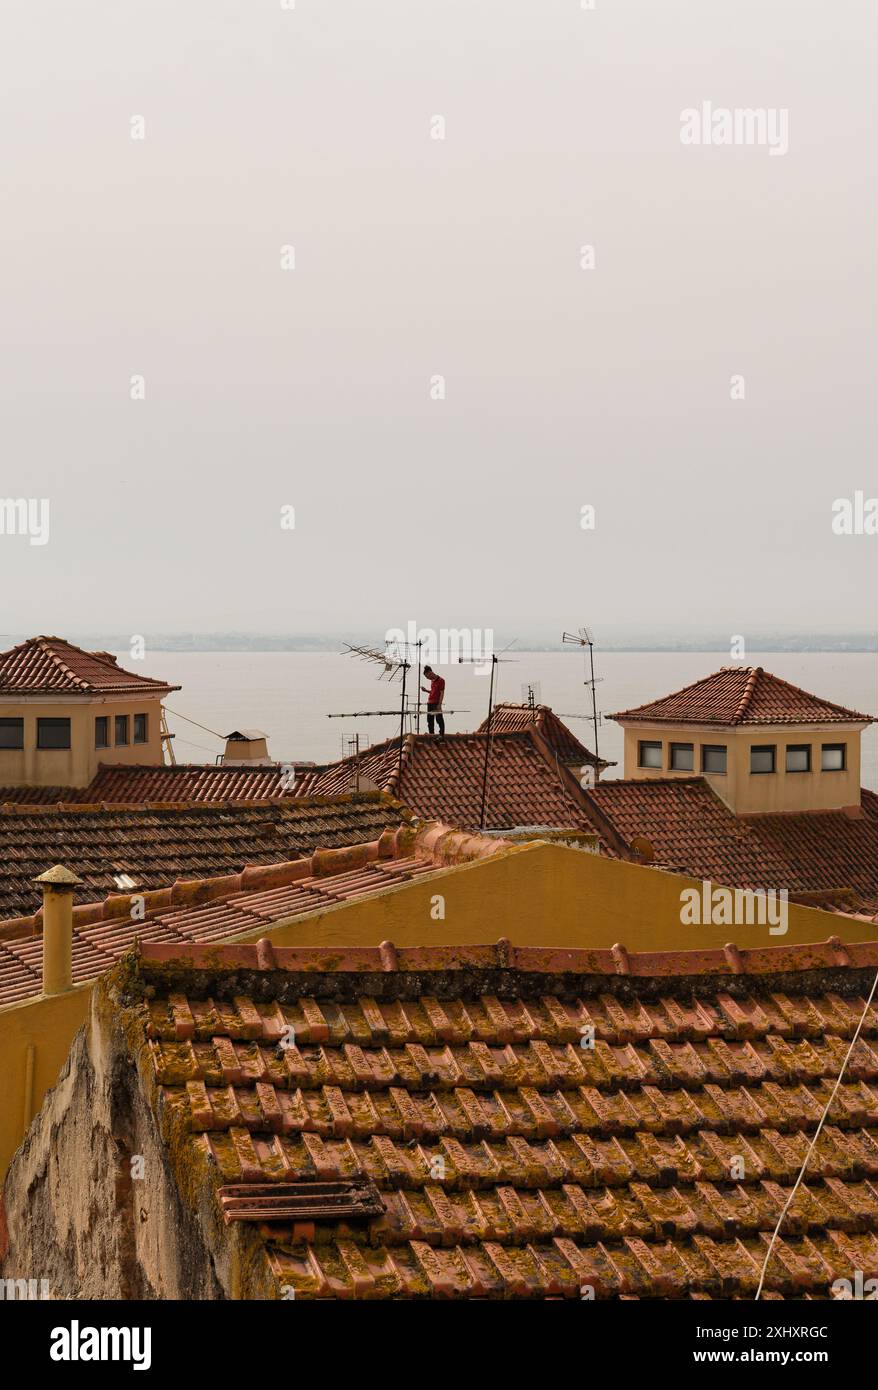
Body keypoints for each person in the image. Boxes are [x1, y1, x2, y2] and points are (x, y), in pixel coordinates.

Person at [422, 665, 445, 738]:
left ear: (430, 673)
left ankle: (441, 735)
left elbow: (441, 693)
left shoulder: (441, 680)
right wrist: (426, 690)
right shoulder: (432, 681)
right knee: (430, 721)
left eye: (427, 676)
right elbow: (433, 692)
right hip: (430, 703)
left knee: (439, 719)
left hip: (436, 703)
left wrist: (439, 704)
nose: (427, 678)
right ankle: (431, 735)